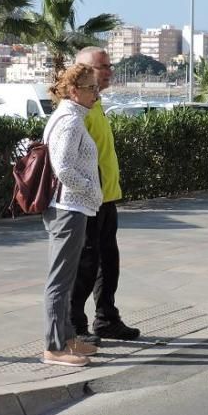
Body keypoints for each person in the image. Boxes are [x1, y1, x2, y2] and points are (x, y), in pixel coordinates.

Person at [69, 47, 140, 343]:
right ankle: (73, 326)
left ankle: (107, 318)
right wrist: (88, 191)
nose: (109, 71)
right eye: (103, 67)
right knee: (85, 264)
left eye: (110, 66)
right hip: (87, 202)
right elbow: (67, 160)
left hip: (105, 198)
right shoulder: (76, 107)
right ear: (82, 71)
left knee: (107, 262)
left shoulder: (95, 102)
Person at [42, 64, 104, 366]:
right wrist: (93, 192)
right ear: (74, 91)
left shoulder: (72, 117)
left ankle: (67, 340)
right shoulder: (69, 122)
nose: (97, 92)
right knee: (60, 281)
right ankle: (54, 347)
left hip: (71, 207)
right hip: (68, 208)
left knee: (66, 280)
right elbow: (63, 168)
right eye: (92, 88)